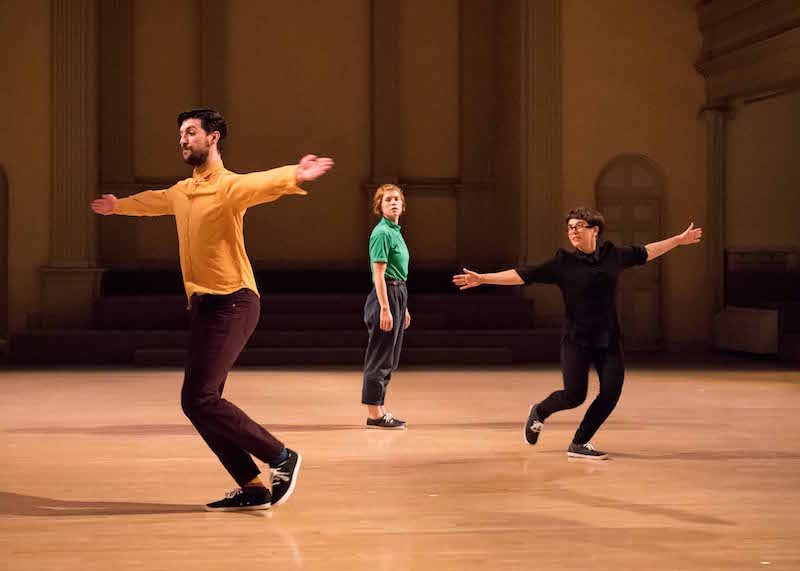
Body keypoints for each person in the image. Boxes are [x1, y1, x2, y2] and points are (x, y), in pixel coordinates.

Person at [91, 108, 333, 509]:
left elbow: (259, 184)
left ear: (214, 137)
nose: (183, 140)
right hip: (204, 306)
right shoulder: (182, 191)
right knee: (197, 402)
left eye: (190, 132)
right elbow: (153, 202)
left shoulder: (227, 187)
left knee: (200, 399)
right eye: (180, 135)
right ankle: (253, 486)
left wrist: (294, 175)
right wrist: (120, 206)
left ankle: (281, 457)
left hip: (234, 300)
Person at [453, 206, 701, 460]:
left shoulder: (613, 255)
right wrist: (483, 279)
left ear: (595, 230)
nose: (573, 231)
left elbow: (648, 251)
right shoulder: (563, 263)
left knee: (611, 393)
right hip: (577, 340)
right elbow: (525, 274)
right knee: (574, 396)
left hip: (609, 339)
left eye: (579, 226)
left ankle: (580, 442)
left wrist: (680, 240)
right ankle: (539, 411)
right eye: (570, 227)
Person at [361, 184, 411, 429]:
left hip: (397, 293)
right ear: (379, 206)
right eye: (388, 199)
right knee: (380, 355)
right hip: (386, 294)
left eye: (397, 199)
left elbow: (398, 272)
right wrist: (385, 308)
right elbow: (379, 274)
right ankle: (374, 414)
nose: (393, 203)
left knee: (389, 357)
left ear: (402, 205)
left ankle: (379, 409)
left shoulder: (396, 232)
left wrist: (404, 308)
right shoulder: (382, 232)